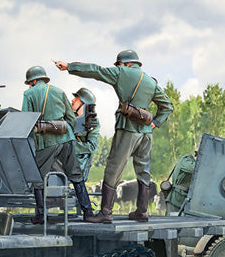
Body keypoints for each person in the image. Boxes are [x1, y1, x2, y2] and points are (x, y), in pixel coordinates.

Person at [54, 50, 173, 223]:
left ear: (124, 64)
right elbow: (168, 106)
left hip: (128, 129)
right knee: (143, 170)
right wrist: (155, 122)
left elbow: (96, 70)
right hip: (146, 133)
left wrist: (69, 67)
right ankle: (142, 211)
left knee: (113, 168)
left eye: (119, 64)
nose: (117, 67)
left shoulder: (120, 73)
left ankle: (105, 213)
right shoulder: (149, 80)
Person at [22, 66, 94, 223]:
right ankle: (88, 212)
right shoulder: (59, 91)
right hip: (66, 137)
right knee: (76, 174)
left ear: (33, 81)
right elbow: (71, 118)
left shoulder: (28, 94)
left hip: (46, 141)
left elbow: (26, 119)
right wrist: (63, 130)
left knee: (38, 178)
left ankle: (41, 215)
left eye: (30, 82)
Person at [71, 87, 100, 182]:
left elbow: (92, 146)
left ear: (84, 103)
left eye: (76, 98)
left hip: (78, 161)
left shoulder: (92, 122)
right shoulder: (70, 117)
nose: (73, 100)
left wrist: (69, 147)